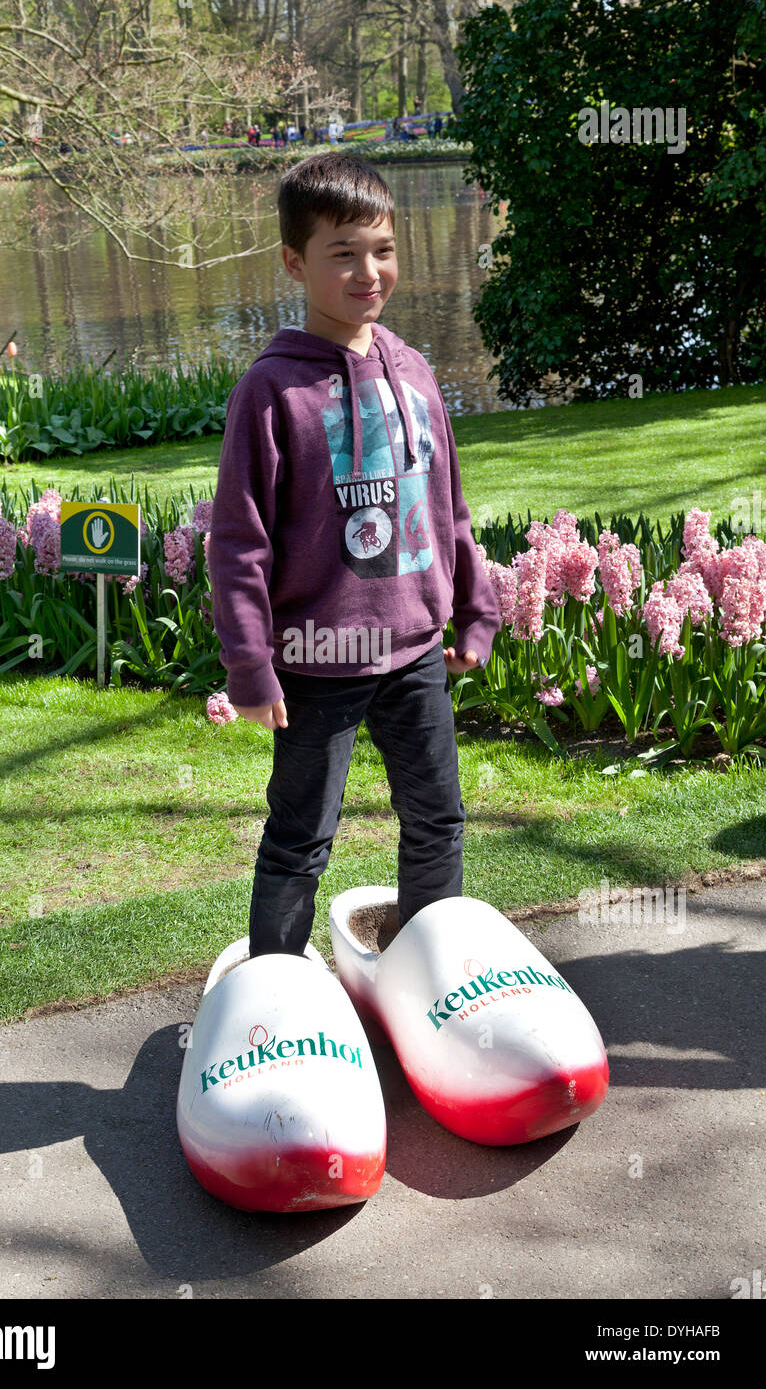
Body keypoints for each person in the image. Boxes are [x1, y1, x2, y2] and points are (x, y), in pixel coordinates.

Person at [206, 152, 502, 956]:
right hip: (315, 662)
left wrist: (475, 609)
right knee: (301, 838)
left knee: (437, 818)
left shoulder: (415, 372)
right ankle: (279, 992)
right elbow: (238, 544)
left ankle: (430, 975)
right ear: (295, 263)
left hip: (413, 654)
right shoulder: (270, 391)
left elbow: (449, 508)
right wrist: (251, 666)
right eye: (343, 254)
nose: (368, 271)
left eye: (382, 249)